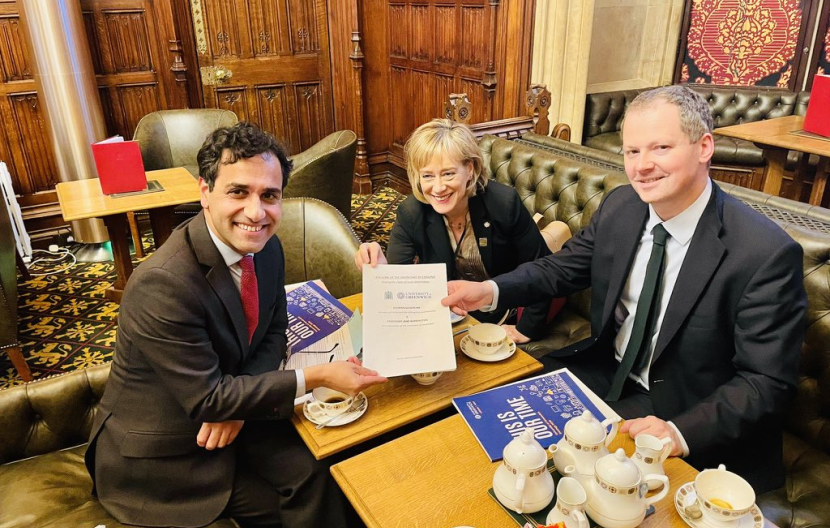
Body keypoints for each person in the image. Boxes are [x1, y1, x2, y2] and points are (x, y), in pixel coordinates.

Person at [441, 85, 806, 493]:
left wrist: (678, 432)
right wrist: (489, 290)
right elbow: (562, 269)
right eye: (632, 151)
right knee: (476, 429)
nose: (642, 166)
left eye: (661, 148)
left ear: (704, 147)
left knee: (573, 488)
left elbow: (766, 382)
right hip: (604, 371)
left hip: (684, 410)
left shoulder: (764, 253)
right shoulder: (622, 206)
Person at [85, 122, 387, 528]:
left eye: (270, 196)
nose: (256, 212)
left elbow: (273, 334)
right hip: (166, 456)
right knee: (311, 506)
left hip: (228, 413)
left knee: (325, 474)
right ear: (205, 192)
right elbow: (208, 399)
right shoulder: (162, 284)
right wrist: (315, 376)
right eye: (238, 192)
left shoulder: (267, 248)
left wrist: (239, 404)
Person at [355, 118, 553, 343]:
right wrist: (382, 272)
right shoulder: (411, 213)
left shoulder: (503, 203)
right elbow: (400, 287)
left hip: (501, 310)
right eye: (427, 175)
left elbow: (541, 267)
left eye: (448, 173)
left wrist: (527, 329)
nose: (438, 188)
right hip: (450, 315)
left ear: (470, 169)